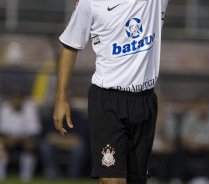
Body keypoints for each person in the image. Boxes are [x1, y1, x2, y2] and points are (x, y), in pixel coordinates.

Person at [53, 0, 170, 184]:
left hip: (144, 101)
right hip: (107, 101)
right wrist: (61, 99)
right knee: (112, 180)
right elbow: (70, 46)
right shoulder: (90, 3)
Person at [180, 96, 209, 182]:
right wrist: (191, 144)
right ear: (196, 106)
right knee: (179, 151)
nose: (203, 109)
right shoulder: (189, 117)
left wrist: (205, 146)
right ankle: (180, 179)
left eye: (205, 106)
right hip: (192, 147)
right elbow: (184, 139)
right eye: (200, 106)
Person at [0, 93, 41, 181]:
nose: (16, 102)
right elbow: (2, 130)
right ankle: (1, 173)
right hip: (8, 137)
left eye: (18, 99)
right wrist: (8, 139)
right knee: (0, 144)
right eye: (14, 99)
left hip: (25, 138)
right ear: (10, 100)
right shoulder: (4, 108)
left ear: (23, 100)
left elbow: (34, 130)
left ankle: (26, 174)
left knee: (30, 143)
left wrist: (21, 138)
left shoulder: (30, 108)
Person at [39, 106, 88, 179]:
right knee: (45, 145)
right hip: (56, 147)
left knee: (79, 147)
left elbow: (79, 139)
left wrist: (59, 140)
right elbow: (48, 137)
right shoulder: (52, 116)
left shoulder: (77, 116)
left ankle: (73, 175)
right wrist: (66, 140)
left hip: (71, 147)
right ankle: (53, 173)